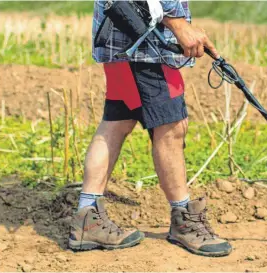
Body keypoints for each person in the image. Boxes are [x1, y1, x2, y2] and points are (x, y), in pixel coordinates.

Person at [68, 0, 232, 257]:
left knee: (118, 122)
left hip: (128, 38)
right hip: (144, 45)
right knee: (171, 127)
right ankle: (184, 221)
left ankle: (88, 217)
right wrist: (175, 21)